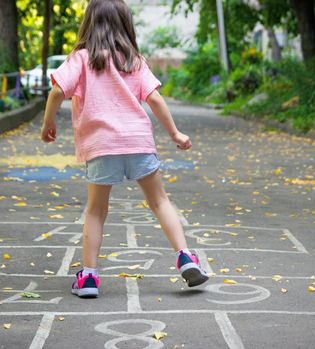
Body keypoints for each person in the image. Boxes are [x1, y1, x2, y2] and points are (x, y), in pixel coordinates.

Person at [40, 0, 208, 298]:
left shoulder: (81, 58)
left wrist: (48, 124)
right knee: (159, 201)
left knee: (96, 211)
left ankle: (89, 277)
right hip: (138, 141)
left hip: (101, 145)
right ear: (125, 25)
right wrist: (175, 133)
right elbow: (154, 99)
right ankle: (185, 257)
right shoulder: (134, 60)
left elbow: (56, 91)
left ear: (89, 23)